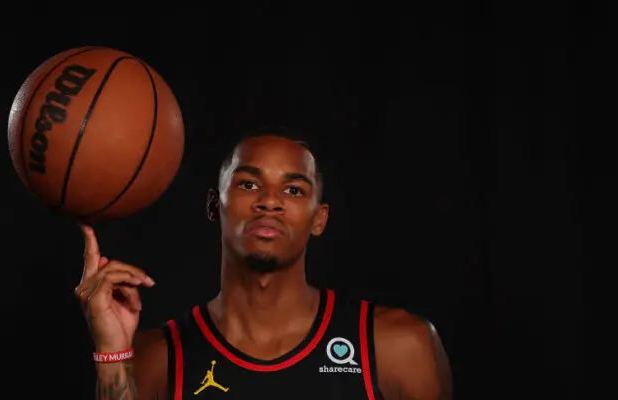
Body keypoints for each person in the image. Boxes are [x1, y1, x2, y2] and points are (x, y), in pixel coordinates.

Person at [75, 126, 453, 400]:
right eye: (249, 184)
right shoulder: (155, 358)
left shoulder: (397, 347)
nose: (269, 202)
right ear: (213, 205)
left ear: (319, 219)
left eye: (293, 190)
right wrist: (112, 354)